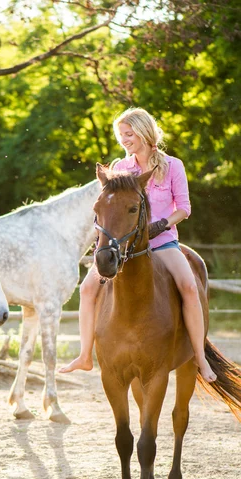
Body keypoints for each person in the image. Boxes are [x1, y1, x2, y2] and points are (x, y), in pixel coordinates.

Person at [59, 107, 217, 383]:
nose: (124, 140)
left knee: (189, 286)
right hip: (125, 246)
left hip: (163, 242)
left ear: (144, 132)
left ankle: (200, 359)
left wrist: (161, 225)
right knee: (86, 289)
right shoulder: (121, 169)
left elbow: (184, 208)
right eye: (121, 135)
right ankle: (85, 355)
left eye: (129, 134)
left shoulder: (173, 166)